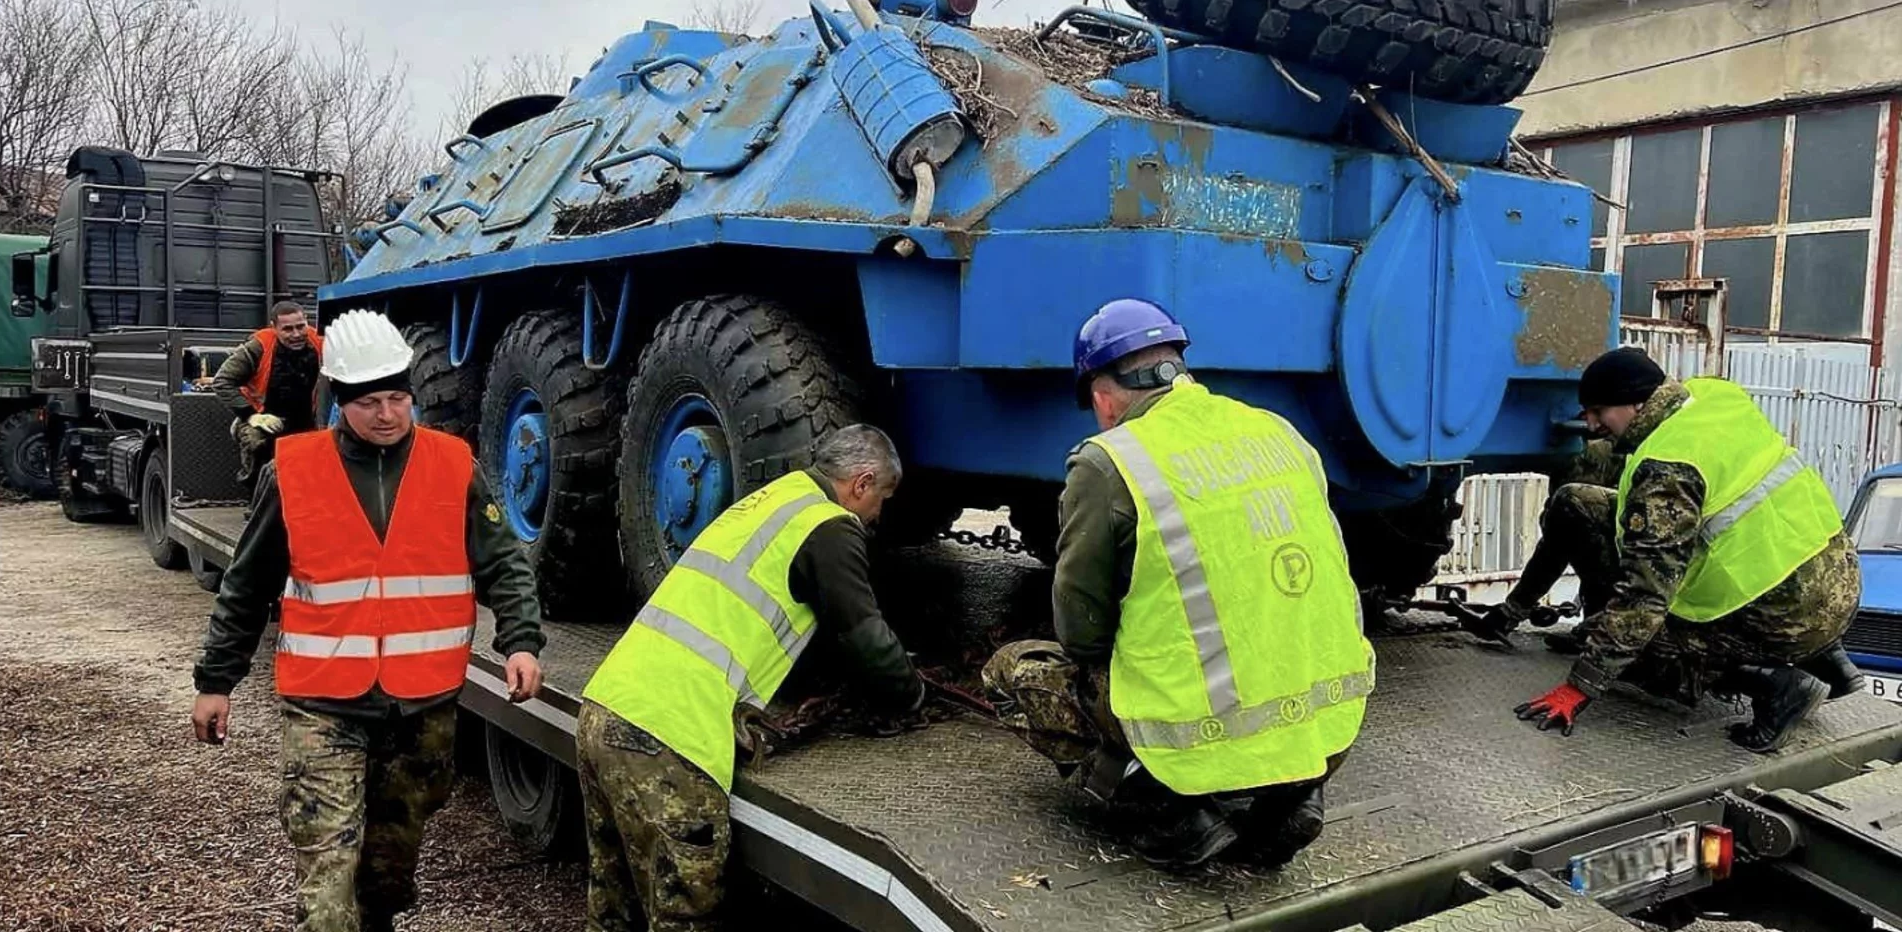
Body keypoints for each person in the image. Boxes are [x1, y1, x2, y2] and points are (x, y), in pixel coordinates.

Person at [982, 299, 1374, 869]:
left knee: (1015, 671)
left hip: (1193, 738)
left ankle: (1170, 814)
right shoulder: (1279, 432)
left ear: (1101, 395)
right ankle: (1292, 795)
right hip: (1328, 723)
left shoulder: (1110, 461)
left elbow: (1082, 633)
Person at [191, 308, 545, 932]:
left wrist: (520, 642)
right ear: (338, 402)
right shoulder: (291, 472)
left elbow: (505, 567)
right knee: (327, 888)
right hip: (323, 705)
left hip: (421, 707)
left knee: (387, 875)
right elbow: (246, 586)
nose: (387, 415)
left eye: (397, 399)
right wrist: (216, 682)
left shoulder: (454, 465)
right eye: (369, 403)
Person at [577, 424, 924, 932]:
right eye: (882, 499)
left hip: (603, 713)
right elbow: (863, 634)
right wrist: (910, 694)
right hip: (667, 741)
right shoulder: (830, 525)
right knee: (686, 915)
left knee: (613, 911)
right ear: (862, 483)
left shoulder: (773, 498)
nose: (877, 515)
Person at [1515, 347, 1865, 753]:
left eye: (1599, 410)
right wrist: (1514, 608)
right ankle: (1831, 663)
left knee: (1631, 645)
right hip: (1834, 585)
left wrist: (1581, 685)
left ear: (1637, 402)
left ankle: (1776, 684)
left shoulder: (1667, 468)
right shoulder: (1713, 398)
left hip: (1781, 614)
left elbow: (1644, 597)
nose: (1591, 424)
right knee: (1583, 506)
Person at [1455, 438, 1623, 652]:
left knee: (1567, 508)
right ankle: (1601, 625)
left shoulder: (1594, 455)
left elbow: (1560, 542)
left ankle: (1603, 628)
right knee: (1566, 512)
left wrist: (1513, 609)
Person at [213, 300, 324, 486]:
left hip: (306, 420)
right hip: (264, 418)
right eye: (287, 329)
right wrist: (251, 416)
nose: (296, 334)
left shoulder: (319, 343)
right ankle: (256, 500)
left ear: (307, 320)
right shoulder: (258, 347)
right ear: (274, 327)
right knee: (255, 442)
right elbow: (222, 382)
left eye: (300, 326)